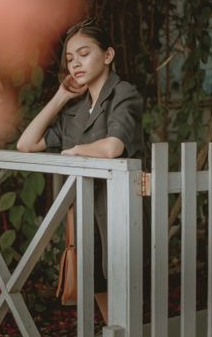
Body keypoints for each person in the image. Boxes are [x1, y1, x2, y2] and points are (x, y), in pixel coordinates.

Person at [17, 17, 144, 297]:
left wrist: (75, 152)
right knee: (96, 286)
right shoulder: (74, 112)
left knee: (121, 289)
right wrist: (62, 96)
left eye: (84, 55)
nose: (75, 64)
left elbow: (113, 147)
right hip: (84, 212)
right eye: (70, 59)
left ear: (108, 55)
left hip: (118, 210)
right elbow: (27, 143)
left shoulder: (124, 94)